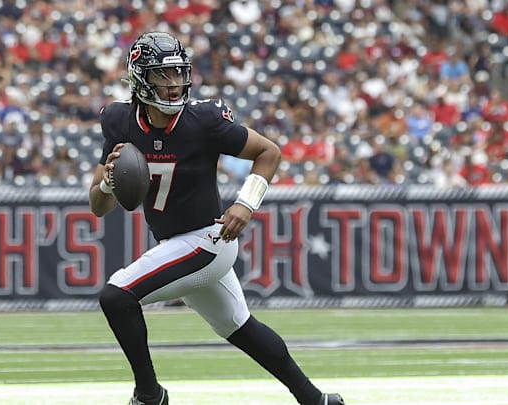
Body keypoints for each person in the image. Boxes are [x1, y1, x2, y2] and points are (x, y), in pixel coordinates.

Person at [88, 32, 344, 405]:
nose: (174, 85)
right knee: (239, 327)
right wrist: (109, 184)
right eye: (163, 75)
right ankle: (315, 399)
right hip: (177, 244)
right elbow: (98, 205)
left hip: (208, 239)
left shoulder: (203, 120)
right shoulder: (117, 121)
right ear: (141, 78)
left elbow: (268, 152)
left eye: (178, 74)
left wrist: (246, 203)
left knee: (116, 296)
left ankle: (149, 394)